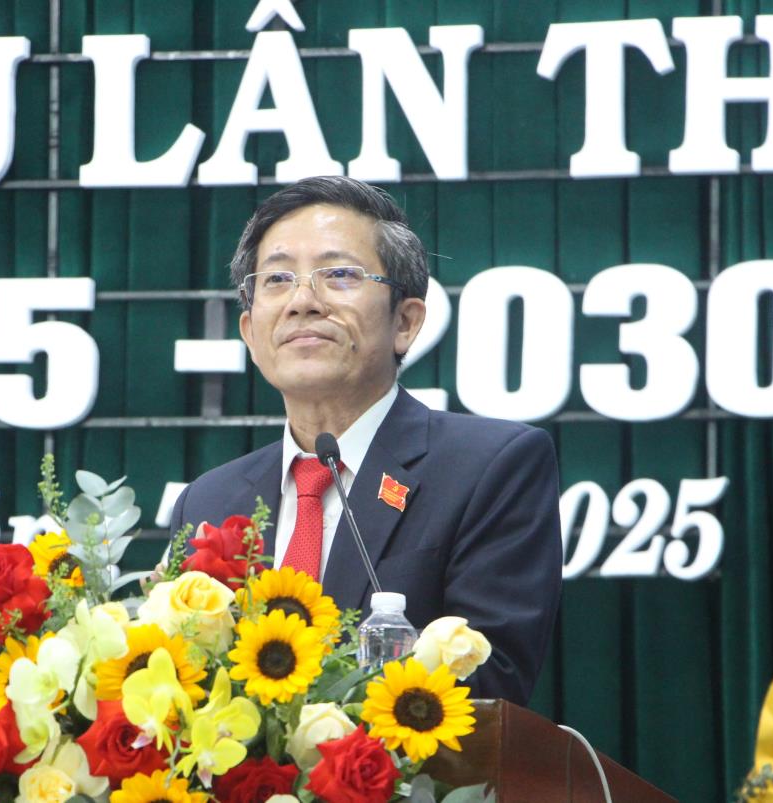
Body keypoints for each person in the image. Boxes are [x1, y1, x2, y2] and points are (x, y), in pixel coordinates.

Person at [168, 176, 562, 704]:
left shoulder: (490, 467)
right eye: (277, 278)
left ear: (405, 322)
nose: (303, 301)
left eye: (339, 274)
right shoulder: (208, 501)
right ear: (249, 333)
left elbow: (489, 686)